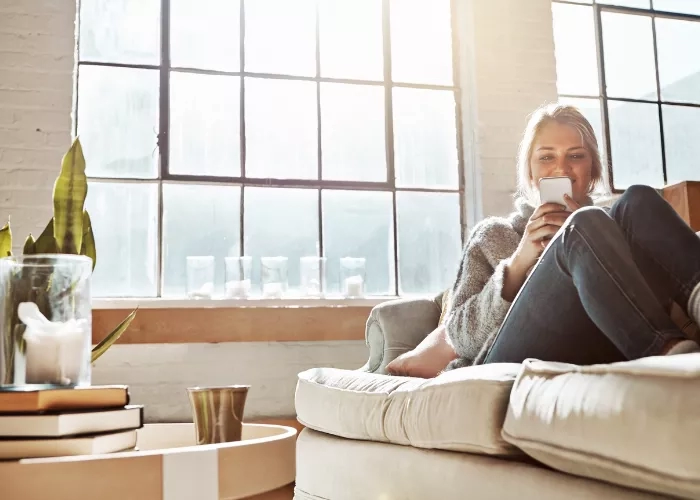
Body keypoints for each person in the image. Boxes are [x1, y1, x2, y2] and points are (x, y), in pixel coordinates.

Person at [387, 103, 700, 377]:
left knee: (638, 199)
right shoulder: (495, 236)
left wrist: (601, 244)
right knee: (582, 226)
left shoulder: (621, 226)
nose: (562, 168)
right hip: (512, 355)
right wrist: (520, 261)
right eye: (546, 158)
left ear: (591, 171)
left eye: (575, 156)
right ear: (532, 173)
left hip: (608, 340)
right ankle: (666, 354)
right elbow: (459, 337)